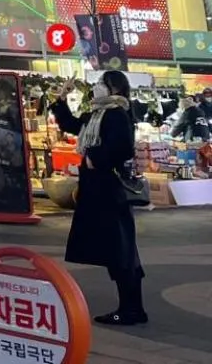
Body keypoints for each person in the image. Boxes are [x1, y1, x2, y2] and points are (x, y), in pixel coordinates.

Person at [50, 71, 145, 325]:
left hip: (108, 189)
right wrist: (61, 98)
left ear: (113, 88)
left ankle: (131, 309)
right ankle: (131, 308)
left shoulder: (116, 113)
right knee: (116, 249)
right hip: (98, 189)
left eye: (101, 84)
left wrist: (96, 158)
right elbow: (71, 125)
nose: (96, 87)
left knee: (120, 249)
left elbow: (124, 147)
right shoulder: (97, 113)